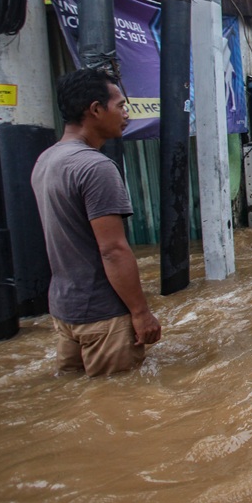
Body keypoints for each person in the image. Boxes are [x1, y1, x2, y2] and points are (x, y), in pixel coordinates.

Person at [31, 68, 162, 376]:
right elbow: (113, 250)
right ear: (95, 109)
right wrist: (141, 313)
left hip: (65, 311)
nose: (126, 113)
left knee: (83, 403)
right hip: (103, 316)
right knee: (121, 406)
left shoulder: (46, 160)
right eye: (120, 105)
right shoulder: (95, 167)